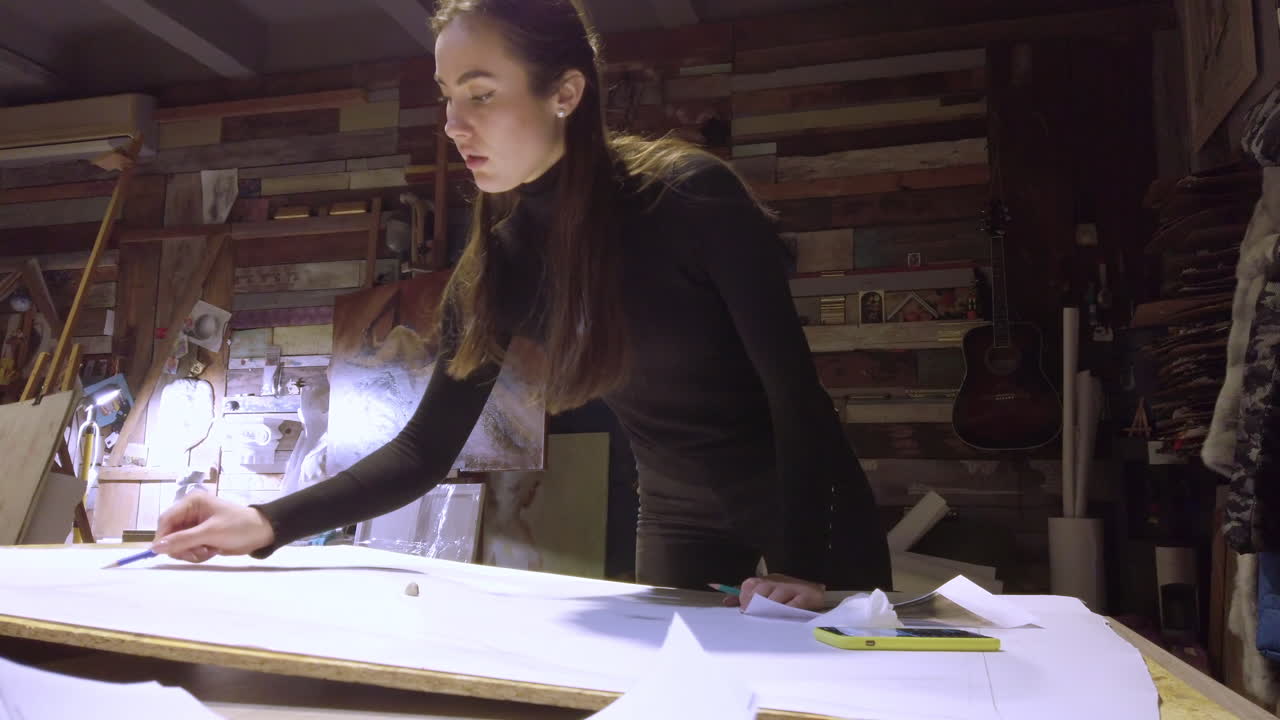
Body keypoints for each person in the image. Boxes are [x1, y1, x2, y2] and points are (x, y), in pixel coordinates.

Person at [151, 0, 891, 610]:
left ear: (565, 93)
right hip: (674, 513)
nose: (453, 124)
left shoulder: (689, 196)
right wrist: (263, 522)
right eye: (447, 98)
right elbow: (422, 452)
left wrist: (799, 566)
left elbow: (795, 396)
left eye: (480, 93)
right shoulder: (501, 263)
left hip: (809, 510)